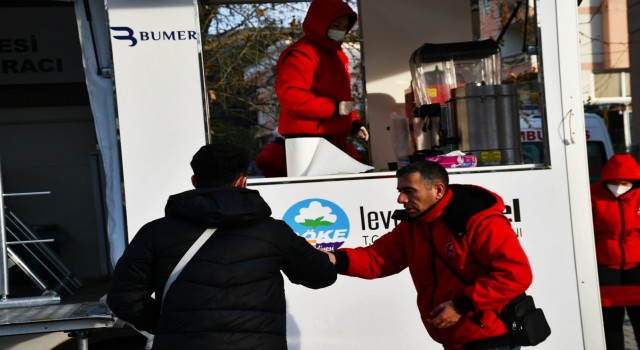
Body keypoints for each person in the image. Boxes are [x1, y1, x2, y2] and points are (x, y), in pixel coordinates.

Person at [107, 142, 337, 350]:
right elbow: (320, 276)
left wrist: (170, 324)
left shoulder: (155, 232)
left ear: (195, 181)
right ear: (243, 181)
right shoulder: (274, 232)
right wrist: (330, 259)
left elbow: (122, 298)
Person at [323, 160, 533, 350]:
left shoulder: (480, 221)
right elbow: (378, 258)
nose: (401, 199)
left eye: (409, 191)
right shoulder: (414, 225)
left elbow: (516, 275)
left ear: (438, 190)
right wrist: (333, 260)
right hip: (456, 340)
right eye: (400, 190)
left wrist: (461, 306)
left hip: (490, 340)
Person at [256, 0, 368, 177]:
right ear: (321, 22)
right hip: (308, 143)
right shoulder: (302, 54)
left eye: (344, 26)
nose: (340, 30)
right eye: (336, 25)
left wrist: (353, 123)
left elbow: (339, 98)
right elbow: (292, 97)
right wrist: (334, 109)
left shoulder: (337, 55)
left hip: (329, 140)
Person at [591, 153, 640, 350]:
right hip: (605, 267)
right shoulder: (592, 195)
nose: (620, 186)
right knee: (610, 321)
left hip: (636, 267)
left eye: (625, 182)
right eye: (615, 182)